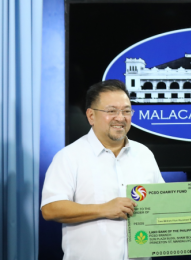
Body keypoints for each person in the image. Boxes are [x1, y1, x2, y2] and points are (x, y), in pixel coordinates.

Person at [41, 80, 165, 260]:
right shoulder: (69, 157)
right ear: (91, 116)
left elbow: (163, 207)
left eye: (126, 111)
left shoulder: (144, 154)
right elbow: (51, 209)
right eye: (111, 111)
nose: (121, 118)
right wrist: (104, 209)